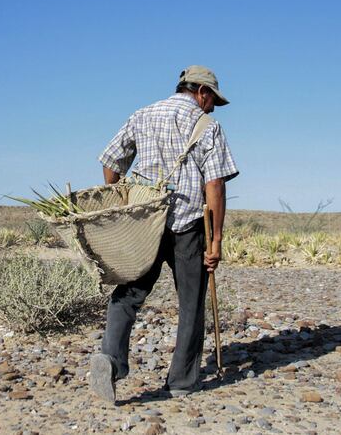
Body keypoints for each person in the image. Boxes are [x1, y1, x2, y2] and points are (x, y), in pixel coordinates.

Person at [89, 65, 239, 403]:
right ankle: (182, 381)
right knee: (191, 304)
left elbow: (111, 166)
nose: (213, 106)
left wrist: (123, 204)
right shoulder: (208, 127)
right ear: (201, 92)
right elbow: (213, 186)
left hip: (144, 224)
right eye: (213, 98)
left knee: (128, 294)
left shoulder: (142, 115)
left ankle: (110, 362)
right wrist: (215, 240)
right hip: (188, 225)